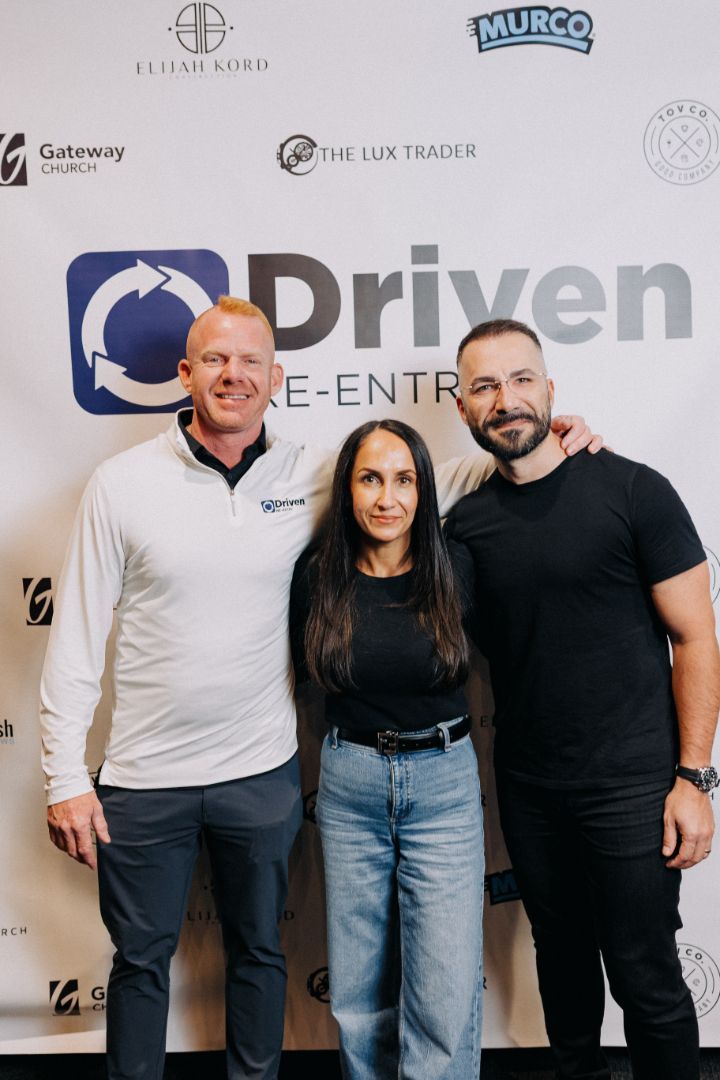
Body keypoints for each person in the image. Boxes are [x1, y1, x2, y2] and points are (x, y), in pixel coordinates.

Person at [39, 295, 597, 1080]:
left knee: (263, 955)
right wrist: (64, 774)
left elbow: (422, 481)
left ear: (277, 379)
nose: (233, 375)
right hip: (145, 776)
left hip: (263, 772)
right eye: (215, 359)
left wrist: (544, 441)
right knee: (140, 963)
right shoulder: (120, 483)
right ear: (185, 373)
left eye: (251, 361)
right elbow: (75, 635)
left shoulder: (312, 473)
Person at [444, 318, 720, 1080]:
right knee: (563, 974)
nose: (506, 400)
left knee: (645, 977)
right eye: (484, 387)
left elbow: (696, 639)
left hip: (634, 787)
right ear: (463, 407)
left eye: (521, 379)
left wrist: (694, 778)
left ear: (550, 389)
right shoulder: (464, 524)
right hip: (530, 788)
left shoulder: (633, 490)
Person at [290, 419, 483, 1080]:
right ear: (347, 489)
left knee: (445, 988)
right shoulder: (317, 577)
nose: (387, 498)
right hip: (350, 784)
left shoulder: (456, 567)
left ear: (424, 491)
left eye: (404, 480)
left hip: (444, 783)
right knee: (357, 992)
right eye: (370, 479)